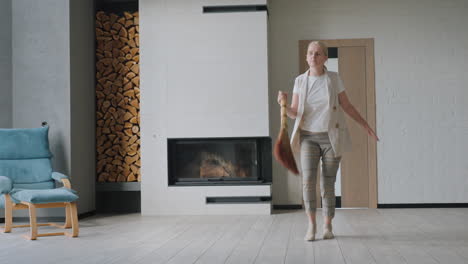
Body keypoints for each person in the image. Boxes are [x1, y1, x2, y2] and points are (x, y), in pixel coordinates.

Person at [277, 41, 379, 241]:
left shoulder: (334, 79)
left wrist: (365, 125)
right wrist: (283, 104)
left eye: (317, 53)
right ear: (306, 57)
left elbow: (347, 106)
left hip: (331, 137)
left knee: (328, 183)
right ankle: (311, 225)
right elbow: (294, 113)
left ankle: (328, 225)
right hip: (308, 137)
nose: (313, 57)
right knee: (308, 181)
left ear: (325, 58)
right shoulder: (300, 81)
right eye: (310, 53)